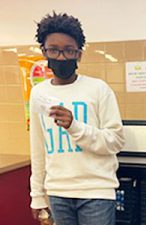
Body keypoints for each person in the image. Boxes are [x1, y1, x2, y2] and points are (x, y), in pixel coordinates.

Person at [29, 12, 125, 225]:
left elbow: (116, 141)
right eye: (54, 50)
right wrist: (37, 195)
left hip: (96, 191)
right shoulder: (39, 93)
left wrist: (74, 126)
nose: (61, 57)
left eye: (69, 50)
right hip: (57, 192)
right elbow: (38, 148)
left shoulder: (98, 89)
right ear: (44, 52)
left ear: (79, 54)